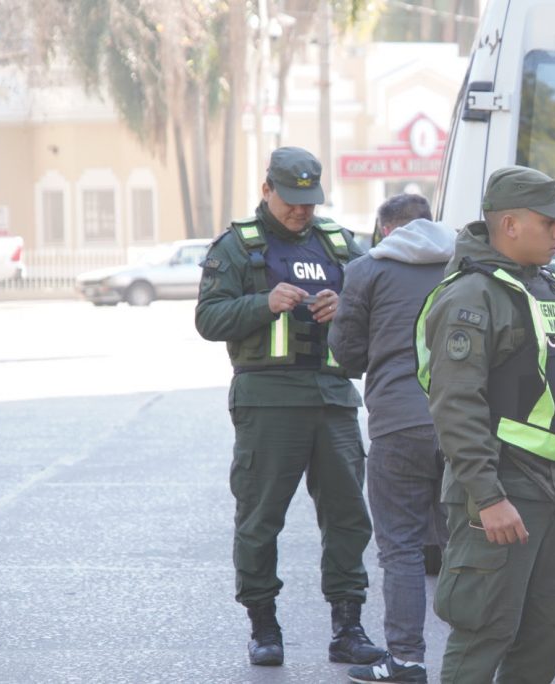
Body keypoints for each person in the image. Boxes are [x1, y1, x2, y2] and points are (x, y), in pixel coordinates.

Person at [415, 165, 555, 684]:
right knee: (484, 632)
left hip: (550, 493)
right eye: (550, 222)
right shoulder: (470, 297)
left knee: (548, 632)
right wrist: (487, 496)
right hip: (500, 492)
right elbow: (456, 407)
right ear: (509, 224)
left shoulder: (548, 289)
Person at [195, 146, 384, 668]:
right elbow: (208, 319)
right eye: (291, 201)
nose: (301, 211)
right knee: (260, 517)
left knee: (349, 517)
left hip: (334, 398)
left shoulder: (341, 245)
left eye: (309, 202)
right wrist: (263, 303)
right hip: (269, 401)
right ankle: (264, 626)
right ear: (266, 190)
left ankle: (348, 626)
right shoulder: (236, 248)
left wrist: (346, 308)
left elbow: (380, 313)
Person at [328, 193, 454, 684]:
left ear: (385, 230)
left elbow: (347, 356)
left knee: (400, 546)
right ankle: (479, 656)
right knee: (465, 544)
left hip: (398, 424)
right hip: (463, 425)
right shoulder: (466, 265)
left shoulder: (367, 270)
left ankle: (406, 660)